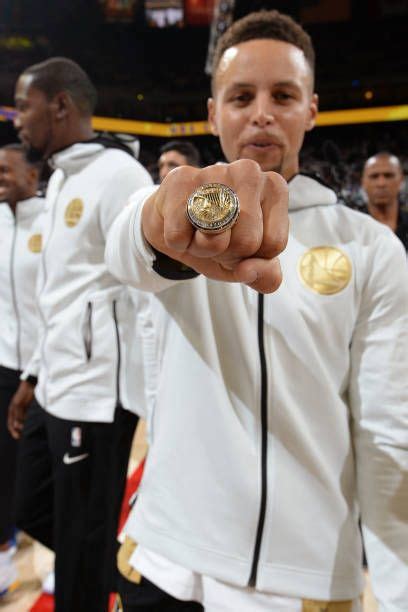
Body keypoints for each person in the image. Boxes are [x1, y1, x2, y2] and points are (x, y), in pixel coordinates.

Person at [106, 10, 408, 612]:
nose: (262, 112)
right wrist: (159, 223)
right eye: (242, 96)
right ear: (214, 112)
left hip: (306, 577)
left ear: (313, 110)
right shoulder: (182, 218)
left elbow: (386, 427)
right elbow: (125, 251)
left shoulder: (372, 248)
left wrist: (398, 586)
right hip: (168, 557)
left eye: (284, 95)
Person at [8, 57, 152, 612]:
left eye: (25, 105)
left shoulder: (121, 177)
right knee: (32, 506)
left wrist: (155, 401)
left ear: (60, 105)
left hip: (97, 397)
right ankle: (111, 567)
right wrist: (34, 374)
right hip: (54, 386)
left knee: (80, 553)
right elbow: (59, 296)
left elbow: (147, 295)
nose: (17, 119)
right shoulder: (63, 175)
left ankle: (99, 578)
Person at [0, 143, 43, 598]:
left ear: (33, 176)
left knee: (38, 471)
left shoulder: (53, 221)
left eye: (6, 169)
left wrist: (35, 371)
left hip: (47, 367)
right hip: (2, 365)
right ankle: (6, 563)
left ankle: (48, 546)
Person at [360, 151, 408, 250]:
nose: (381, 183)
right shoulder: (350, 228)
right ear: (363, 182)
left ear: (401, 180)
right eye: (374, 176)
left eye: (388, 175)